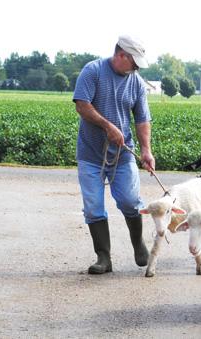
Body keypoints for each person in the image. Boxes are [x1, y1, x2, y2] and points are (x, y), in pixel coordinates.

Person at [73, 35, 155, 274]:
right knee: (93, 207)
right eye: (135, 62)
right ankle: (104, 257)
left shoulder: (136, 82)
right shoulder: (93, 71)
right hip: (90, 154)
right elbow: (82, 104)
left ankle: (138, 244)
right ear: (122, 56)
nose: (137, 68)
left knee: (130, 201)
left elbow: (142, 119)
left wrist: (146, 151)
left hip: (123, 154)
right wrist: (108, 126)